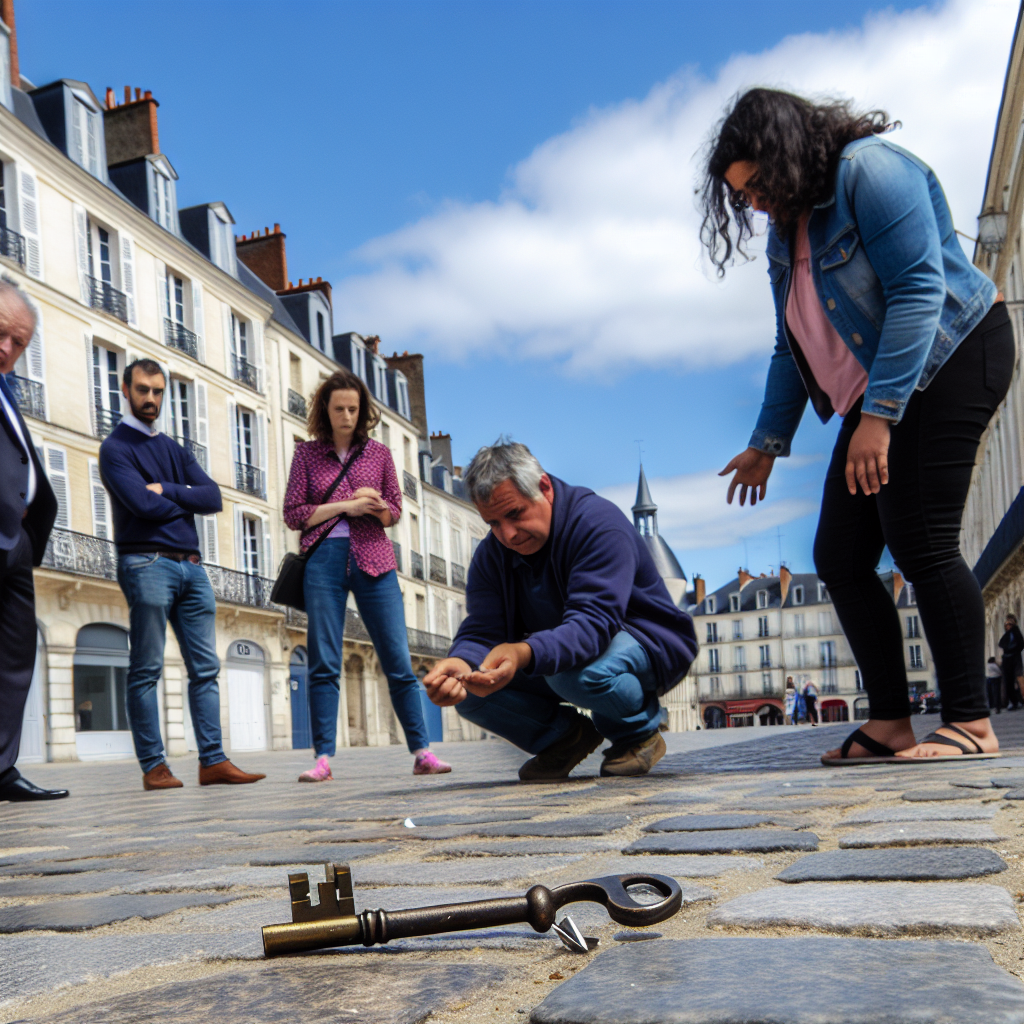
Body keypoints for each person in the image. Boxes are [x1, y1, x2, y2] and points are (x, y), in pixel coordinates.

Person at [703, 89, 1013, 763]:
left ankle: (970, 723)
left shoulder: (870, 172)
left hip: (954, 353)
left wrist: (880, 417)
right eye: (741, 195)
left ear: (787, 156)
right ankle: (892, 722)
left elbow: (918, 291)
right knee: (840, 557)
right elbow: (791, 346)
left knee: (920, 539)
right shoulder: (789, 237)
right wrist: (765, 445)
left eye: (757, 185)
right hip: (884, 390)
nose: (752, 204)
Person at [422, 440, 698, 780]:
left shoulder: (598, 524)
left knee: (575, 675)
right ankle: (566, 738)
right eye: (492, 523)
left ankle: (636, 732)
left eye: (514, 514)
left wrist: (523, 652)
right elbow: (483, 627)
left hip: (646, 641)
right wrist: (461, 662)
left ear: (545, 488)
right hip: (560, 652)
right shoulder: (492, 554)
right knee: (469, 692)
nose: (506, 534)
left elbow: (593, 625)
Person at [100, 358, 265, 790]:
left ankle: (212, 761)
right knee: (146, 668)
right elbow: (142, 506)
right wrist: (182, 500)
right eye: (142, 390)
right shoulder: (115, 449)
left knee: (206, 669)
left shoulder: (173, 448)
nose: (150, 398)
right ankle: (154, 767)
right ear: (125, 389)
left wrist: (169, 490)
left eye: (157, 391)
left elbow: (212, 498)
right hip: (147, 562)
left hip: (192, 567)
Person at [283, 370, 450, 779]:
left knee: (397, 658)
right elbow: (294, 515)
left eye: (353, 409)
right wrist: (345, 506)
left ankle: (422, 752)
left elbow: (394, 512)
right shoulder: (306, 454)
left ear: (363, 412)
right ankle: (323, 758)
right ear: (325, 409)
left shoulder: (378, 454)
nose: (347, 415)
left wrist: (373, 505)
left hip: (374, 557)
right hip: (323, 559)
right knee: (324, 660)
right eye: (339, 408)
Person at [0, 282, 66, 802]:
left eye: (18, 342)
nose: (7, 348)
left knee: (15, 660)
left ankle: (2, 768)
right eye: (1, 332)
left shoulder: (7, 391)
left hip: (16, 544)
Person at [999, 615, 1024, 712]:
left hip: (1015, 659)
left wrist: (1013, 650)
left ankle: (1020, 700)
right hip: (1007, 660)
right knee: (1008, 682)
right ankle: (1013, 702)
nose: (1008, 626)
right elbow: (1001, 644)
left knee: (1020, 680)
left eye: (1010, 624)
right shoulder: (1006, 635)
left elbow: (1021, 644)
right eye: (1006, 624)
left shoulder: (1016, 633)